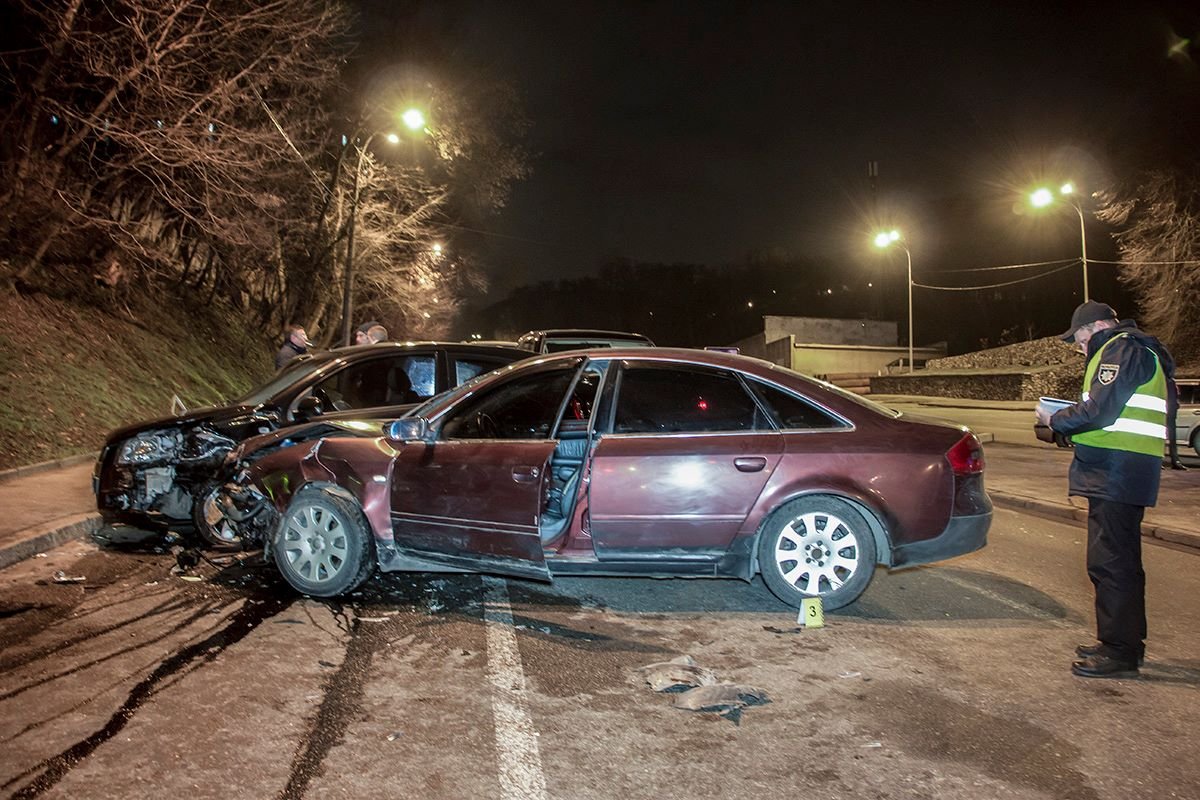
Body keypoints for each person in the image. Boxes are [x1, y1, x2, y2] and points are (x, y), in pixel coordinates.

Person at [1035, 300, 1174, 678]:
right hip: (1118, 470)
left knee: (1111, 563)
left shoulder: (1121, 349)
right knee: (1117, 562)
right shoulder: (1129, 348)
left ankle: (1120, 652)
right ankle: (1120, 642)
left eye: (1078, 339)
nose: (1078, 347)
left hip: (1118, 471)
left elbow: (1101, 411)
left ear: (1095, 327)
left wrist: (1055, 418)